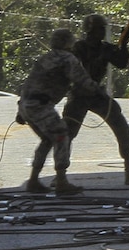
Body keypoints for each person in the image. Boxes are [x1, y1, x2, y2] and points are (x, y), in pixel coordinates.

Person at [33, 14, 129, 187]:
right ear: (90, 31)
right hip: (79, 95)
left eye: (102, 29)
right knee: (66, 134)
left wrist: (125, 42)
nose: (102, 32)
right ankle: (60, 175)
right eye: (99, 29)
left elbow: (121, 62)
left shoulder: (105, 48)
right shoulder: (78, 48)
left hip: (97, 94)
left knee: (120, 125)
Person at [17, 28, 104, 196]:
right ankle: (61, 181)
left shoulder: (45, 58)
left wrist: (21, 110)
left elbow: (29, 82)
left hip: (27, 104)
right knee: (62, 134)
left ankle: (34, 180)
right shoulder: (67, 59)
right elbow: (81, 79)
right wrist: (98, 90)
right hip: (41, 105)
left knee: (47, 139)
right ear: (67, 43)